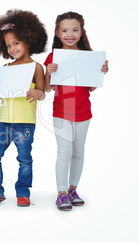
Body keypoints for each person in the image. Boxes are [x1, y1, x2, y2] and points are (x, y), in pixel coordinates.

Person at [44, 12, 109, 211]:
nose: (69, 34)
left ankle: (73, 189)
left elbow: (90, 89)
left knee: (78, 152)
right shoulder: (53, 56)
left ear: (81, 32)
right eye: (64, 30)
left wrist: (100, 73)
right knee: (64, 152)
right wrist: (49, 73)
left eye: (74, 30)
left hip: (83, 112)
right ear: (57, 33)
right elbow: (47, 89)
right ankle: (61, 192)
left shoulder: (87, 56)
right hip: (62, 112)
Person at [0, 9, 47, 207]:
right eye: (8, 45)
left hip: (25, 123)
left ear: (28, 41)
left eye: (16, 43)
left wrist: (38, 93)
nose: (11, 48)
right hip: (3, 123)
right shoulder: (5, 69)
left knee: (24, 159)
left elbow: (43, 91)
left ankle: (23, 192)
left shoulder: (36, 67)